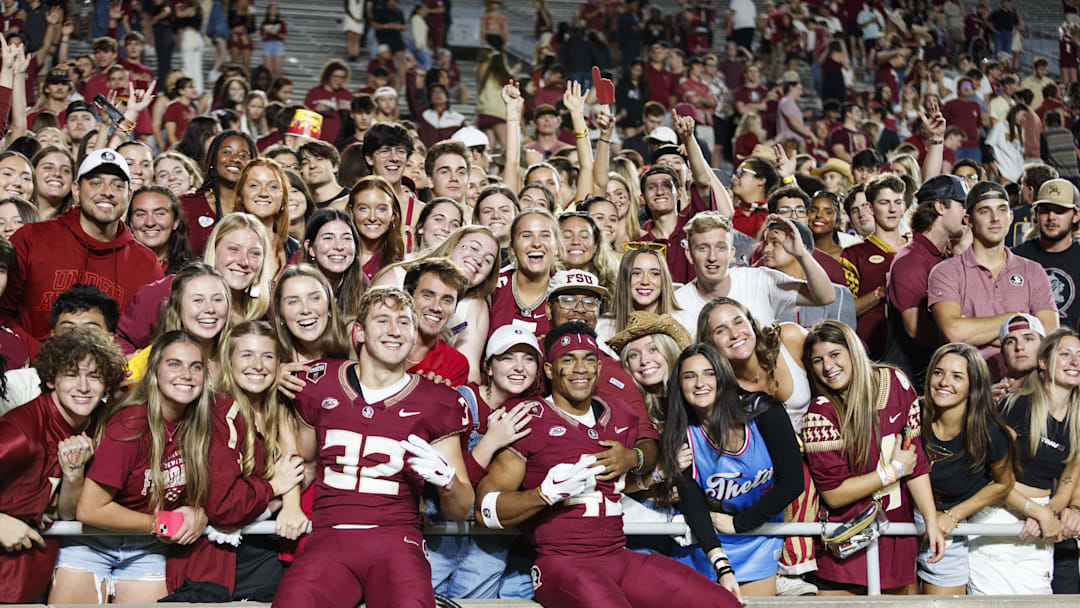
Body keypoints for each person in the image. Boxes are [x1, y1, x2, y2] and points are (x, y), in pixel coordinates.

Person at [475, 321, 740, 607]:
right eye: (569, 359)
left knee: (720, 602)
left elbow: (649, 446)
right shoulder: (529, 416)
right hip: (562, 563)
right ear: (550, 370)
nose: (581, 368)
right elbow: (485, 508)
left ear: (599, 368)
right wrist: (544, 495)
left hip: (617, 555)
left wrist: (633, 457)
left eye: (589, 359)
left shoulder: (619, 414)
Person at [274, 287, 474, 607]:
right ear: (360, 332)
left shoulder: (440, 401)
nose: (395, 331)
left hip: (396, 539)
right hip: (329, 537)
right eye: (382, 320)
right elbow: (304, 460)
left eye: (404, 322)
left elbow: (462, 509)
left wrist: (448, 482)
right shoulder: (318, 382)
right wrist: (288, 501)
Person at [51, 331, 212, 603]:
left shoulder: (200, 425)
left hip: (146, 549)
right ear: (154, 372)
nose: (186, 374)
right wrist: (161, 523)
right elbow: (90, 509)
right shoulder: (131, 425)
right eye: (174, 364)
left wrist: (201, 512)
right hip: (93, 544)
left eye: (195, 366)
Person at [801, 320, 944, 593]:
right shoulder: (820, 413)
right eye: (817, 360)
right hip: (846, 547)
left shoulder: (896, 382)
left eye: (834, 355)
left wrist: (931, 519)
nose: (827, 367)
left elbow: (916, 463)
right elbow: (834, 493)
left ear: (853, 350)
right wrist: (892, 472)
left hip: (896, 537)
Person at [660, 343, 804, 598]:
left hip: (757, 533)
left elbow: (792, 483)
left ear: (723, 376)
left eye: (709, 373)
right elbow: (694, 506)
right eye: (689, 376)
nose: (699, 383)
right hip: (708, 541)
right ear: (679, 386)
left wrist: (739, 523)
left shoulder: (764, 411)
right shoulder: (682, 435)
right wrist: (722, 567)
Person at [178, 320, 305, 597]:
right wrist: (273, 493)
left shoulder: (280, 408)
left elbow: (293, 466)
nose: (258, 365)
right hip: (217, 553)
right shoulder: (218, 410)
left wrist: (291, 504)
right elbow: (224, 507)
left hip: (265, 548)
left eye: (267, 356)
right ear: (229, 360)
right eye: (246, 354)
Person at [0, 328, 126, 603]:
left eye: (94, 376)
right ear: (50, 380)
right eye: (71, 374)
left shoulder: (98, 426)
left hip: (34, 576)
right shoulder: (19, 434)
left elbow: (67, 513)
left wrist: (73, 476)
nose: (83, 387)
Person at [0, 148, 163, 354]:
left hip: (106, 378)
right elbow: (2, 314)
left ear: (129, 195)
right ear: (76, 190)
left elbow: (148, 339)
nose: (107, 191)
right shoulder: (30, 238)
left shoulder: (146, 263)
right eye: (96, 183)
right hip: (28, 373)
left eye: (118, 185)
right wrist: (40, 358)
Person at [972, 328, 1080, 595]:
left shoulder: (1078, 420)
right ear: (1043, 362)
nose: (1075, 362)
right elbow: (993, 476)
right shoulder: (1016, 406)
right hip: (999, 512)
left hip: (1041, 518)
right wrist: (1034, 510)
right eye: (1065, 354)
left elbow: (1067, 485)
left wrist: (1050, 512)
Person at [929, 181, 1058, 381]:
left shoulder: (1033, 271)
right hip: (969, 388)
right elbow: (954, 332)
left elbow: (1049, 333)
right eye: (985, 211)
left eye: (1002, 209)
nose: (995, 218)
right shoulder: (946, 272)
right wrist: (1019, 320)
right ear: (968, 220)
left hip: (1026, 388)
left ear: (1011, 216)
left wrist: (975, 329)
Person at [918, 343, 1017, 595]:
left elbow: (1003, 483)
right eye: (938, 372)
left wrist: (953, 516)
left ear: (973, 386)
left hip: (947, 528)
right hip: (905, 524)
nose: (944, 382)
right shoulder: (913, 414)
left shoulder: (989, 432)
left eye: (957, 376)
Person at [115, 213, 273, 355]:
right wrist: (137, 369)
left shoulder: (265, 311)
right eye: (233, 249)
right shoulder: (169, 290)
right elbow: (121, 340)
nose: (243, 261)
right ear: (214, 248)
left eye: (254, 253)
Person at [673, 211, 835, 335]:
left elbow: (825, 296)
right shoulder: (678, 305)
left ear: (731, 253)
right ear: (689, 254)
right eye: (703, 248)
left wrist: (802, 254)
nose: (712, 257)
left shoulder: (760, 280)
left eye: (721, 247)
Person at [883, 175, 969, 390]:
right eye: (961, 205)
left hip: (935, 371)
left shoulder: (943, 255)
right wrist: (965, 343)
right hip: (911, 381)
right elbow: (915, 328)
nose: (966, 214)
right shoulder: (910, 259)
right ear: (941, 206)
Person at [841, 173, 909, 359]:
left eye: (898, 202)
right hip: (873, 353)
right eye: (885, 203)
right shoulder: (854, 255)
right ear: (870, 208)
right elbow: (845, 310)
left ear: (904, 206)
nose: (892, 209)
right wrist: (880, 292)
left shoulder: (917, 248)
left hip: (918, 350)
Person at [1013, 179, 1080, 330]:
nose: (1051, 217)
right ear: (1036, 213)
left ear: (1076, 216)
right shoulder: (1015, 257)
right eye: (1045, 210)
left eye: (1060, 211)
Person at [487, 208, 561, 339]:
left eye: (545, 235)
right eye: (526, 235)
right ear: (512, 248)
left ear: (556, 247)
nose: (536, 243)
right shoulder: (490, 288)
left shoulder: (565, 293)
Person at [180, 131, 257, 255]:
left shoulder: (258, 208)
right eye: (227, 152)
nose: (235, 159)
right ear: (213, 159)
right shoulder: (186, 205)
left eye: (243, 156)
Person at [402, 258, 470, 386]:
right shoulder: (380, 339)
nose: (436, 307)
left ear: (455, 308)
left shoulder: (455, 364)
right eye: (428, 295)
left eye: (447, 300)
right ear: (409, 297)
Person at [602, 246, 681, 343]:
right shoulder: (604, 327)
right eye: (636, 273)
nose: (645, 281)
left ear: (664, 280)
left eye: (654, 274)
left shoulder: (682, 321)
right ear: (625, 279)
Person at [235, 158, 295, 276]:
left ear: (283, 199)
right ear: (241, 195)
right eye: (254, 185)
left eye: (273, 187)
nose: (263, 193)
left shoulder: (294, 249)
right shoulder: (225, 244)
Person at [297, 209, 362, 307]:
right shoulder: (295, 286)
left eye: (346, 238)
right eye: (328, 238)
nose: (339, 246)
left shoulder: (363, 284)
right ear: (310, 248)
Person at [347, 175, 405, 282]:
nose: (372, 217)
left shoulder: (400, 263)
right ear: (351, 212)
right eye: (363, 208)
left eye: (381, 209)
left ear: (393, 214)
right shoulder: (340, 255)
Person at [127, 185, 194, 275]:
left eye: (159, 214)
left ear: (175, 222)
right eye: (141, 214)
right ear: (131, 223)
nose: (150, 223)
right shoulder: (115, 269)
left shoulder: (193, 274)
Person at [991, 314, 1046, 402]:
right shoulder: (991, 398)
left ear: (1043, 346)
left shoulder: (1057, 389)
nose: (1019, 347)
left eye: (1028, 339)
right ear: (1003, 353)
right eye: (1010, 342)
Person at [299, 140, 349, 210]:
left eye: (319, 159)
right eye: (305, 163)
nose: (312, 165)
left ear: (335, 166)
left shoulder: (352, 199)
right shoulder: (300, 206)